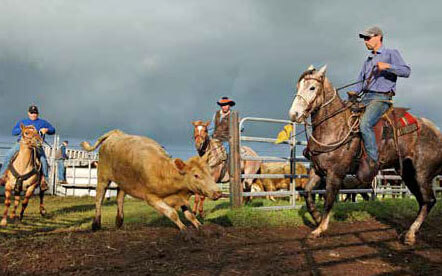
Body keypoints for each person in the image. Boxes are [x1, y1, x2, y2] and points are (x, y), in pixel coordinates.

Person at [353, 26, 410, 183]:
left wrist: (388, 66)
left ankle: (372, 160)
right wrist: (353, 93)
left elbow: (406, 71)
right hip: (366, 97)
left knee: (365, 123)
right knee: (345, 119)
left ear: (378, 37)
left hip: (381, 98)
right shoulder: (368, 61)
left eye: (368, 38)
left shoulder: (391, 53)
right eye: (364, 39)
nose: (365, 41)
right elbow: (359, 83)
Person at [0, 105, 56, 191]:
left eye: (35, 113)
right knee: (8, 155)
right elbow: (13, 132)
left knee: (43, 160)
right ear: (28, 113)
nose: (33, 114)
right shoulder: (23, 122)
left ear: (38, 114)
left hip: (36, 145)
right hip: (22, 144)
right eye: (32, 113)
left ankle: (45, 180)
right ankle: (2, 176)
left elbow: (53, 130)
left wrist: (47, 130)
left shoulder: (43, 122)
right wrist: (22, 130)